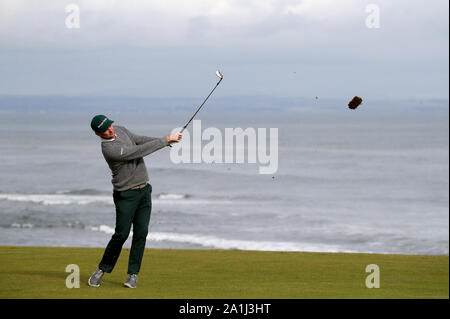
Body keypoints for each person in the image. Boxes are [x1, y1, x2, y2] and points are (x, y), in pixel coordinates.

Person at [87, 114, 182, 288]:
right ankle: (102, 269)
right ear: (98, 134)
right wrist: (165, 140)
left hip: (144, 191)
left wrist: (168, 142)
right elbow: (136, 152)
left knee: (141, 233)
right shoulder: (109, 149)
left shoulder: (121, 129)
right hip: (126, 195)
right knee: (121, 234)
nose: (110, 130)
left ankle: (132, 275)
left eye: (109, 126)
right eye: (105, 130)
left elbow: (140, 140)